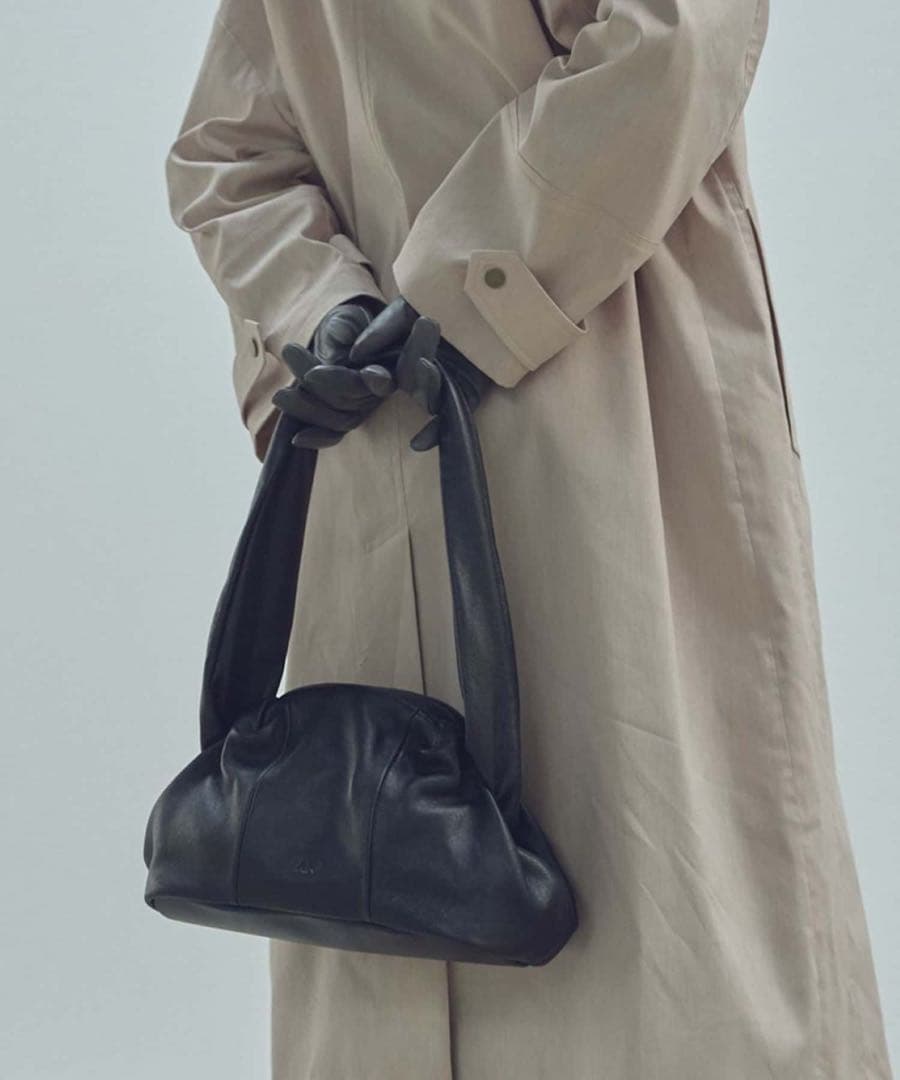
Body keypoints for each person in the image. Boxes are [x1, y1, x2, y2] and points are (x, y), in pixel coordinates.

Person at [163, 1, 894, 1077]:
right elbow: (232, 150)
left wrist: (430, 303)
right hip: (400, 430)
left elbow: (673, 41)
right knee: (404, 894)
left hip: (607, 414)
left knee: (654, 906)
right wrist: (327, 315)